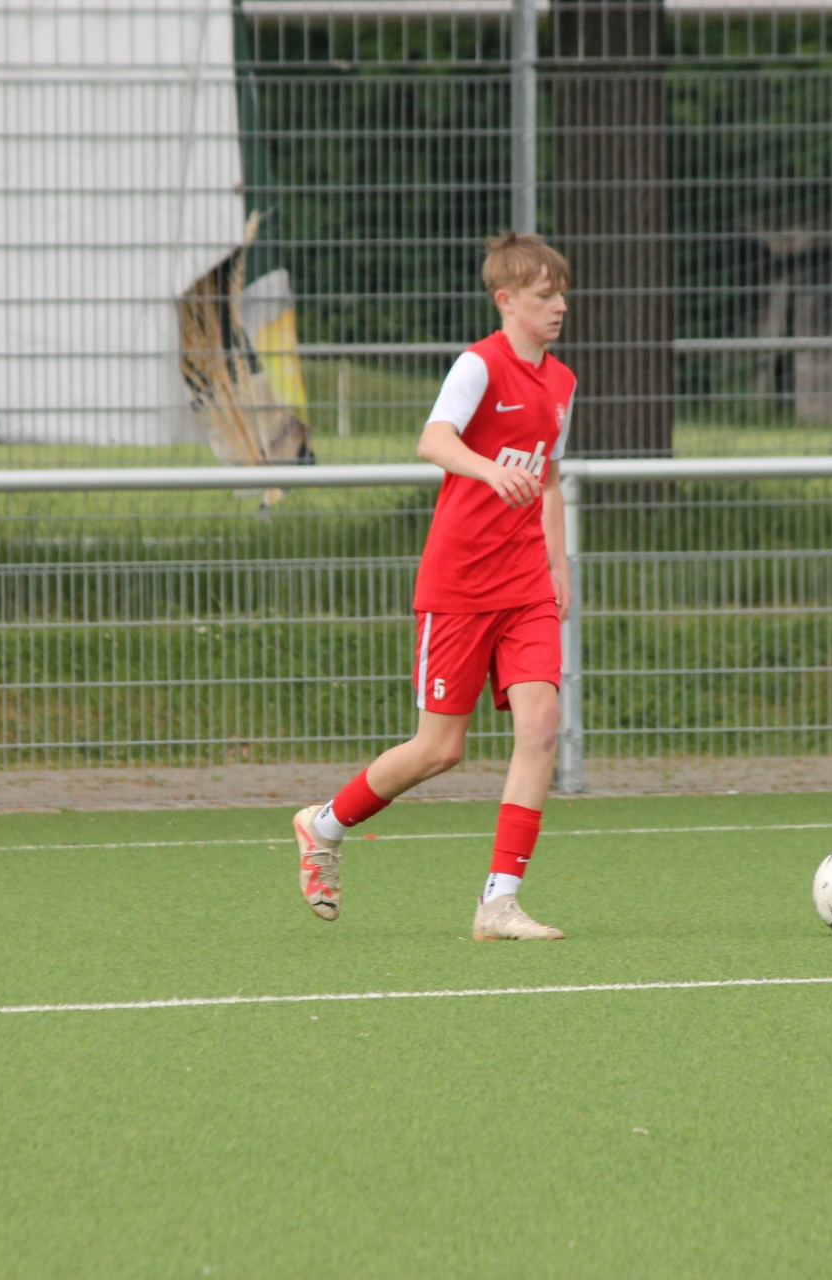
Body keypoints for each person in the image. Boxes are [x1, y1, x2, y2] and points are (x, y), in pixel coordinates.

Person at [291, 232, 576, 941]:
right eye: (545, 296)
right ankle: (324, 825)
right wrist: (488, 468)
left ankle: (499, 902)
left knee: (541, 725)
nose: (559, 306)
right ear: (506, 300)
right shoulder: (478, 365)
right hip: (459, 583)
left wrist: (559, 568)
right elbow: (434, 440)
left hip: (526, 584)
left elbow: (548, 479)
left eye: (562, 294)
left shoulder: (563, 383)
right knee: (439, 749)